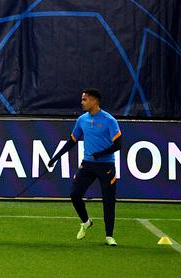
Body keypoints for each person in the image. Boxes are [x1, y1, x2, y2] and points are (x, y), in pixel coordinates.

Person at [46, 88, 122, 247]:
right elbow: (72, 141)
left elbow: (118, 145)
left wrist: (100, 154)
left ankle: (109, 236)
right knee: (74, 195)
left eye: (85, 99)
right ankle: (86, 222)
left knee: (108, 201)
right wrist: (55, 158)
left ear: (95, 101)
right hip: (88, 164)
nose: (82, 102)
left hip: (106, 165)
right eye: (82, 99)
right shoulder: (82, 120)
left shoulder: (109, 120)